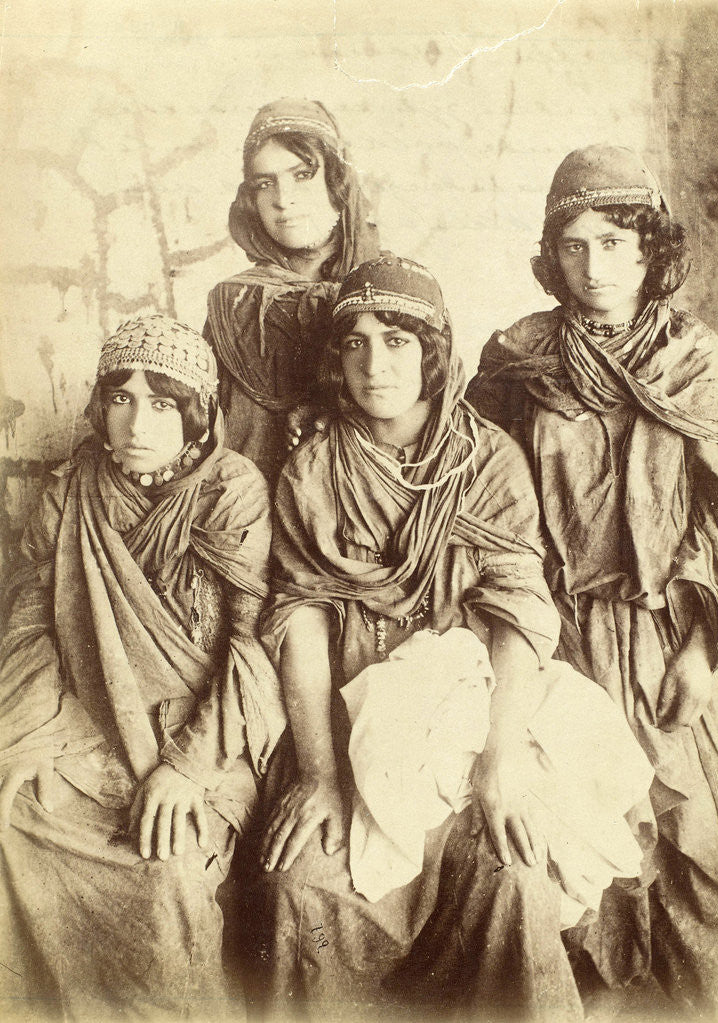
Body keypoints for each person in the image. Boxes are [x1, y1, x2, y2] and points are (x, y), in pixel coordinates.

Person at [246, 255, 660, 1022]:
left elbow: (516, 618)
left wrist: (499, 762)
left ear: (434, 353)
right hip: (351, 714)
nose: (376, 365)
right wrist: (321, 773)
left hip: (480, 717)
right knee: (300, 884)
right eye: (356, 343)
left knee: (516, 874)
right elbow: (299, 615)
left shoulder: (487, 462)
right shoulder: (311, 469)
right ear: (334, 358)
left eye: (398, 341)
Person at [465, 145, 718, 1013]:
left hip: (666, 627)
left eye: (617, 242)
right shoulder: (517, 358)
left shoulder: (695, 362)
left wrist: (703, 649)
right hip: (554, 636)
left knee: (694, 843)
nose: (595, 266)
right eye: (575, 245)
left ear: (651, 250)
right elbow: (481, 490)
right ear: (549, 255)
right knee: (582, 838)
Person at [0, 315, 286, 1020]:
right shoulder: (74, 488)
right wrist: (31, 731)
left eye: (162, 400)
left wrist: (186, 765)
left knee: (166, 870)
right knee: (11, 814)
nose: (137, 420)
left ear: (198, 412)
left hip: (207, 735)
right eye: (120, 398)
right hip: (83, 724)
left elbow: (248, 647)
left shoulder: (231, 488)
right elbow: (33, 627)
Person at [204, 98, 380, 485]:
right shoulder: (235, 305)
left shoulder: (391, 290)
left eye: (302, 175)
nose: (283, 200)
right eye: (265, 183)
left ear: (337, 181)